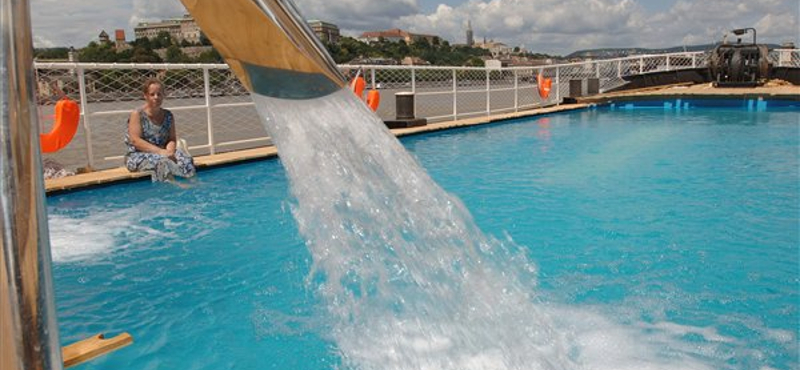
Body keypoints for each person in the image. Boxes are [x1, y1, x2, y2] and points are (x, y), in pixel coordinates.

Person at [124, 78, 195, 182]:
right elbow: (136, 141)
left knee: (186, 160)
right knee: (163, 162)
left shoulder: (168, 115)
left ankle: (192, 184)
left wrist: (170, 151)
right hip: (138, 155)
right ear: (145, 96)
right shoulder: (137, 114)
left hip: (163, 151)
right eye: (152, 94)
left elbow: (171, 138)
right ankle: (173, 189)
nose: (156, 97)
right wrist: (161, 152)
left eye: (159, 94)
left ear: (163, 96)